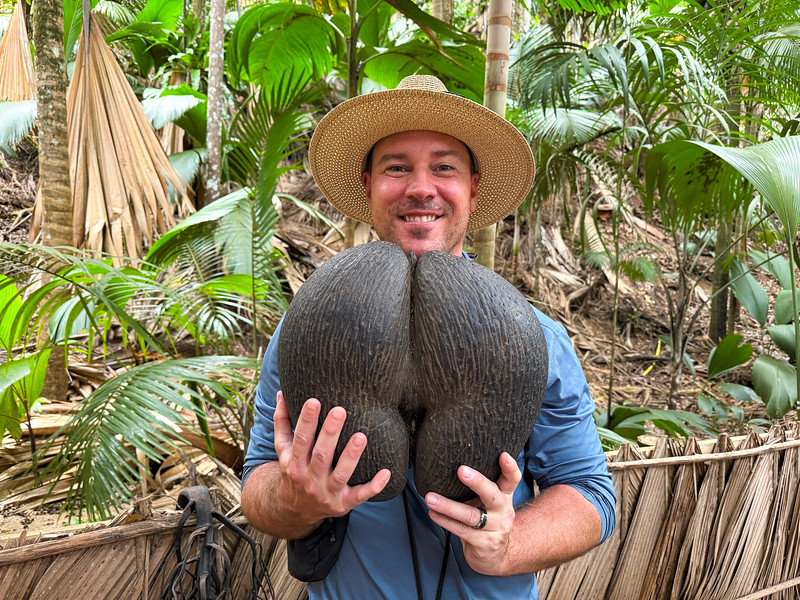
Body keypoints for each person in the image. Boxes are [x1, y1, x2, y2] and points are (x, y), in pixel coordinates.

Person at [241, 75, 616, 599]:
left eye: (444, 167)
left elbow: (592, 496)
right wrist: (295, 501)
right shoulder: (308, 327)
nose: (422, 187)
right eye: (398, 168)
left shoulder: (531, 335)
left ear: (473, 189)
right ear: (368, 184)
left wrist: (508, 544)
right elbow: (257, 481)